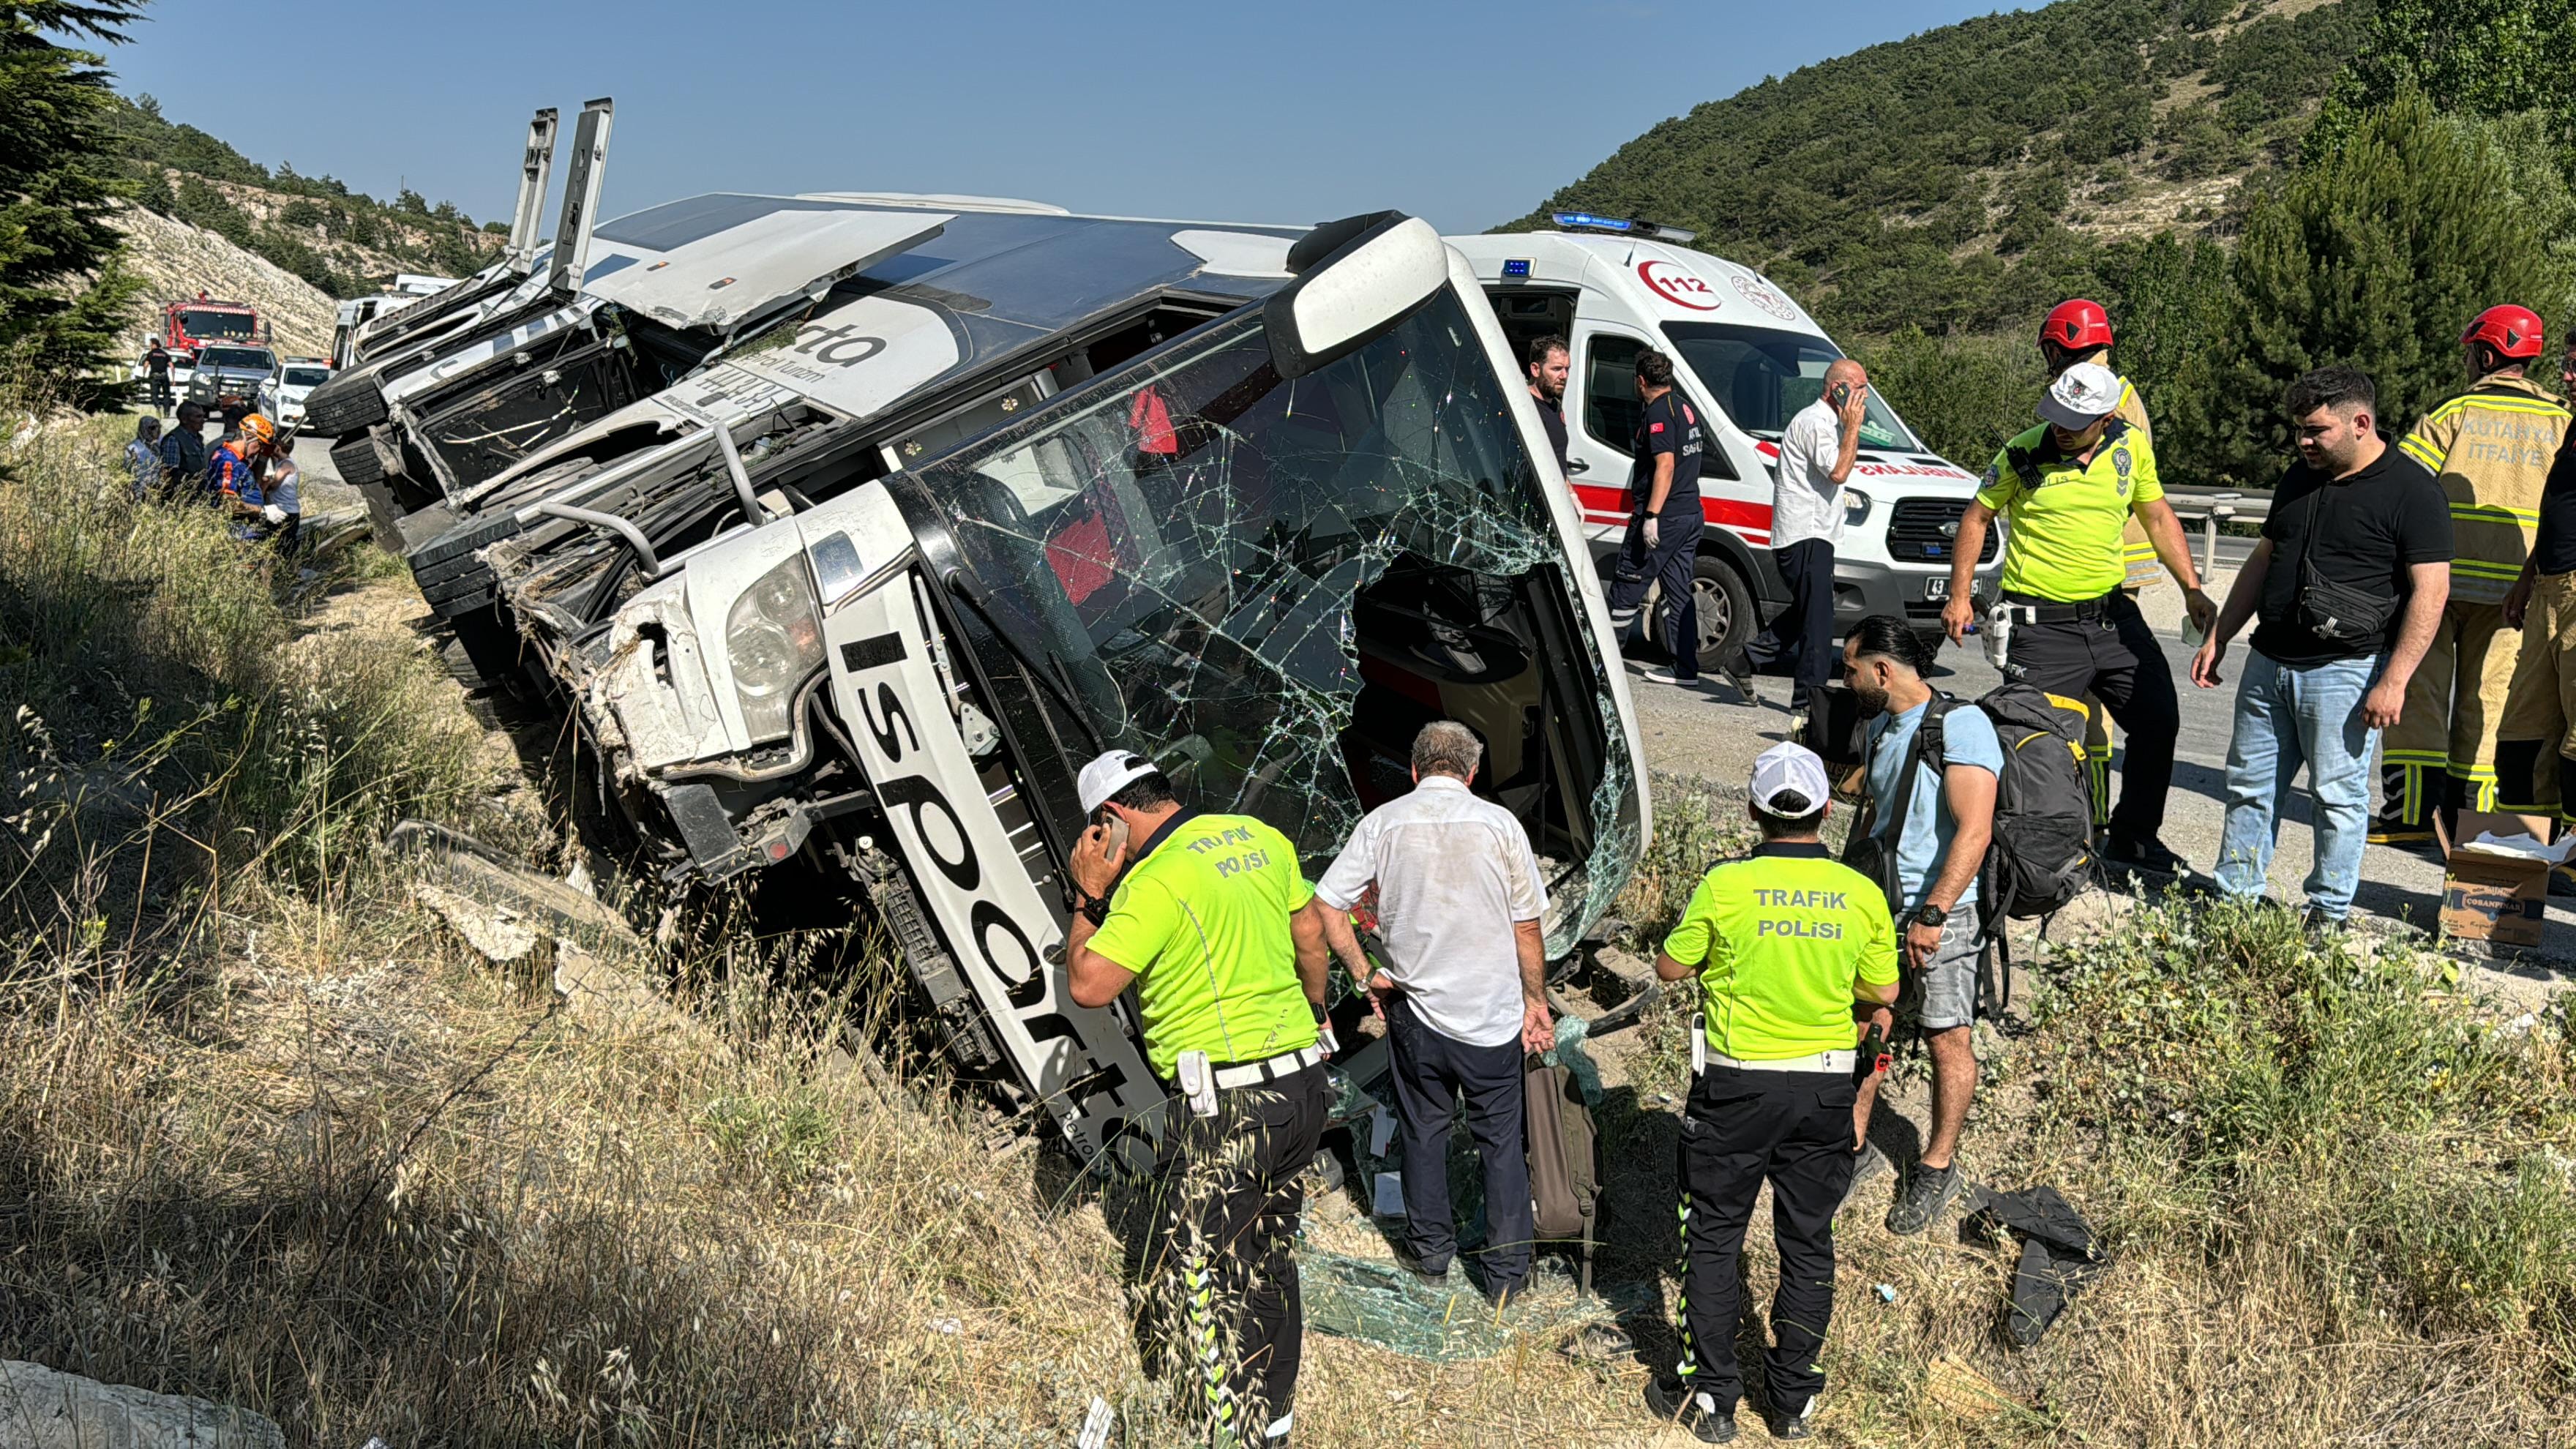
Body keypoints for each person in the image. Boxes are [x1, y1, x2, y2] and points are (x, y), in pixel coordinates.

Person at [1063, 750, 1331, 1448]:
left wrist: (1089, 895)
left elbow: (1089, 985)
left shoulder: (1154, 882)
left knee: (1206, 1273)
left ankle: (1232, 1433)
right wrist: (1316, 1012)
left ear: (1112, 820)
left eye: (1099, 833)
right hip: (1303, 1086)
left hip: (1235, 1105)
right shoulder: (1256, 835)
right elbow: (1311, 938)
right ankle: (1273, 1421)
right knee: (1267, 1260)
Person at [1641, 742, 1897, 1445]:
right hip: (1823, 1088)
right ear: (1825, 809)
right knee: (1809, 1241)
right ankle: (1791, 1401)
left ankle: (1714, 1398)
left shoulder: (1726, 886)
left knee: (1714, 1240)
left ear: (1755, 811)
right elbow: (1883, 992)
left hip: (1735, 1087)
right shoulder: (1862, 893)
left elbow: (1669, 967)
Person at [2192, 367, 2452, 927]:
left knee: (2336, 798)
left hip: (2346, 672)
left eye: (2316, 431)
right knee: (2248, 789)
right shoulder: (2298, 478)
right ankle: (2234, 902)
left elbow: (2432, 590)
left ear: (2361, 423)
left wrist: (2395, 679)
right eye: (2300, 432)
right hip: (2268, 664)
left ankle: (2327, 913)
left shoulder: (2413, 491)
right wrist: (2222, 635)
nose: (2304, 442)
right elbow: (2263, 560)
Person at [1942, 362, 2216, 877]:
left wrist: (2192, 589)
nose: (2060, 427)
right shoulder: (2023, 453)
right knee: (2040, 745)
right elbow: (1976, 517)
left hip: (2112, 618)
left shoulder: (2130, 446)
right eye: (2055, 415)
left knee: (2158, 721)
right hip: (2042, 629)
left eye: (2074, 419)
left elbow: (2157, 515)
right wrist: (1961, 595)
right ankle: (2042, 851)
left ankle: (2133, 839)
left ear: (2107, 417)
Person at [1315, 720, 1553, 1305]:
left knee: (1424, 1133)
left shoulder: (1384, 823)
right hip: (1491, 1020)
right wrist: (1536, 1004)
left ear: (1415, 770)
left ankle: (1430, 1260)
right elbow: (1527, 928)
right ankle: (1506, 1278)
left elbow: (1326, 904)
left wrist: (1362, 971)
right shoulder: (1501, 826)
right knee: (1500, 1142)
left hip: (1414, 1015)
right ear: (1473, 774)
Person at [2375, 306, 2571, 843]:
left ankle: (2411, 817)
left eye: (2470, 354)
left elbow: (2404, 491)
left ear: (2486, 355)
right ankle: (2474, 828)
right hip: (2520, 589)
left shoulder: (2452, 412)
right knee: (2492, 705)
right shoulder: (2562, 418)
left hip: (2437, 583)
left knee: (2420, 694)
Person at [1840, 616, 2000, 1235]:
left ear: (1883, 671)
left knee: (1945, 1039)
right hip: (1881, 910)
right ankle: (1854, 1148)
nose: (1847, 678)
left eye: (1853, 668)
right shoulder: (1881, 724)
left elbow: (1976, 830)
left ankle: (1937, 1166)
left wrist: (1933, 912)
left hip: (1944, 914)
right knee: (1867, 1023)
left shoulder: (1962, 727)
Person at [2038, 300, 2160, 834]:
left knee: (2088, 706)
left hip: (2099, 571)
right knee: (2096, 705)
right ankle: (2097, 816)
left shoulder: (2102, 398)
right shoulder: (2121, 393)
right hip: (2116, 566)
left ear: (2067, 344)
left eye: (2052, 351)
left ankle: (2089, 816)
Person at [1732, 359, 1869, 716]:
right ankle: (1808, 702)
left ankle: (1745, 660)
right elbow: (1839, 471)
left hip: (1812, 535)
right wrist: (1852, 428)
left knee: (1808, 613)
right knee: (1818, 625)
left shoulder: (1825, 424)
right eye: (1859, 389)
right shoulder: (1815, 423)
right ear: (1837, 389)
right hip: (1806, 535)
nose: (1864, 399)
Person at [1603, 348, 1707, 687]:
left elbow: (1666, 464)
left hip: (1666, 516)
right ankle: (1685, 668)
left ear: (1641, 380)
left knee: (1626, 588)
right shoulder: (1686, 407)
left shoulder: (1659, 413)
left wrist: (1651, 515)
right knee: (1678, 590)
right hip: (1690, 512)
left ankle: (1603, 665)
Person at [2497, 432, 2576, 869]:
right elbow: (2556, 511)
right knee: (2522, 732)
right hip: (2549, 586)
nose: (2567, 375)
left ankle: (2571, 858)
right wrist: (2528, 576)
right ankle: (2525, 856)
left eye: (2573, 365)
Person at [1527, 334, 1570, 479]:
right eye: (1557, 369)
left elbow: (1559, 460)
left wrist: (1570, 494)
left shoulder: (1555, 405)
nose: (1564, 376)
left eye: (1567, 369)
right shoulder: (1526, 408)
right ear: (1536, 369)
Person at [160, 402, 209, 495]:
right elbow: (170, 472)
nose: (203, 420)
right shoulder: (173, 439)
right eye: (198, 417)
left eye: (203, 416)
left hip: (198, 494)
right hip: (182, 495)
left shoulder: (197, 438)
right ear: (184, 419)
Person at [124, 415, 162, 501]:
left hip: (157, 489)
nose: (157, 430)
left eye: (159, 427)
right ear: (145, 429)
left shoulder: (158, 444)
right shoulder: (134, 448)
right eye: (153, 428)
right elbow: (128, 472)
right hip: (139, 491)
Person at [144, 340, 172, 412]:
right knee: (166, 394)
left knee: (154, 394)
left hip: (155, 376)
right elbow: (172, 367)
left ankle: (157, 404)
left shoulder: (150, 354)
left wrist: (144, 375)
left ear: (154, 345)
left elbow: (146, 365)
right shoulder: (165, 354)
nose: (150, 346)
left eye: (151, 345)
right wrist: (174, 379)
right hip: (164, 376)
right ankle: (166, 412)